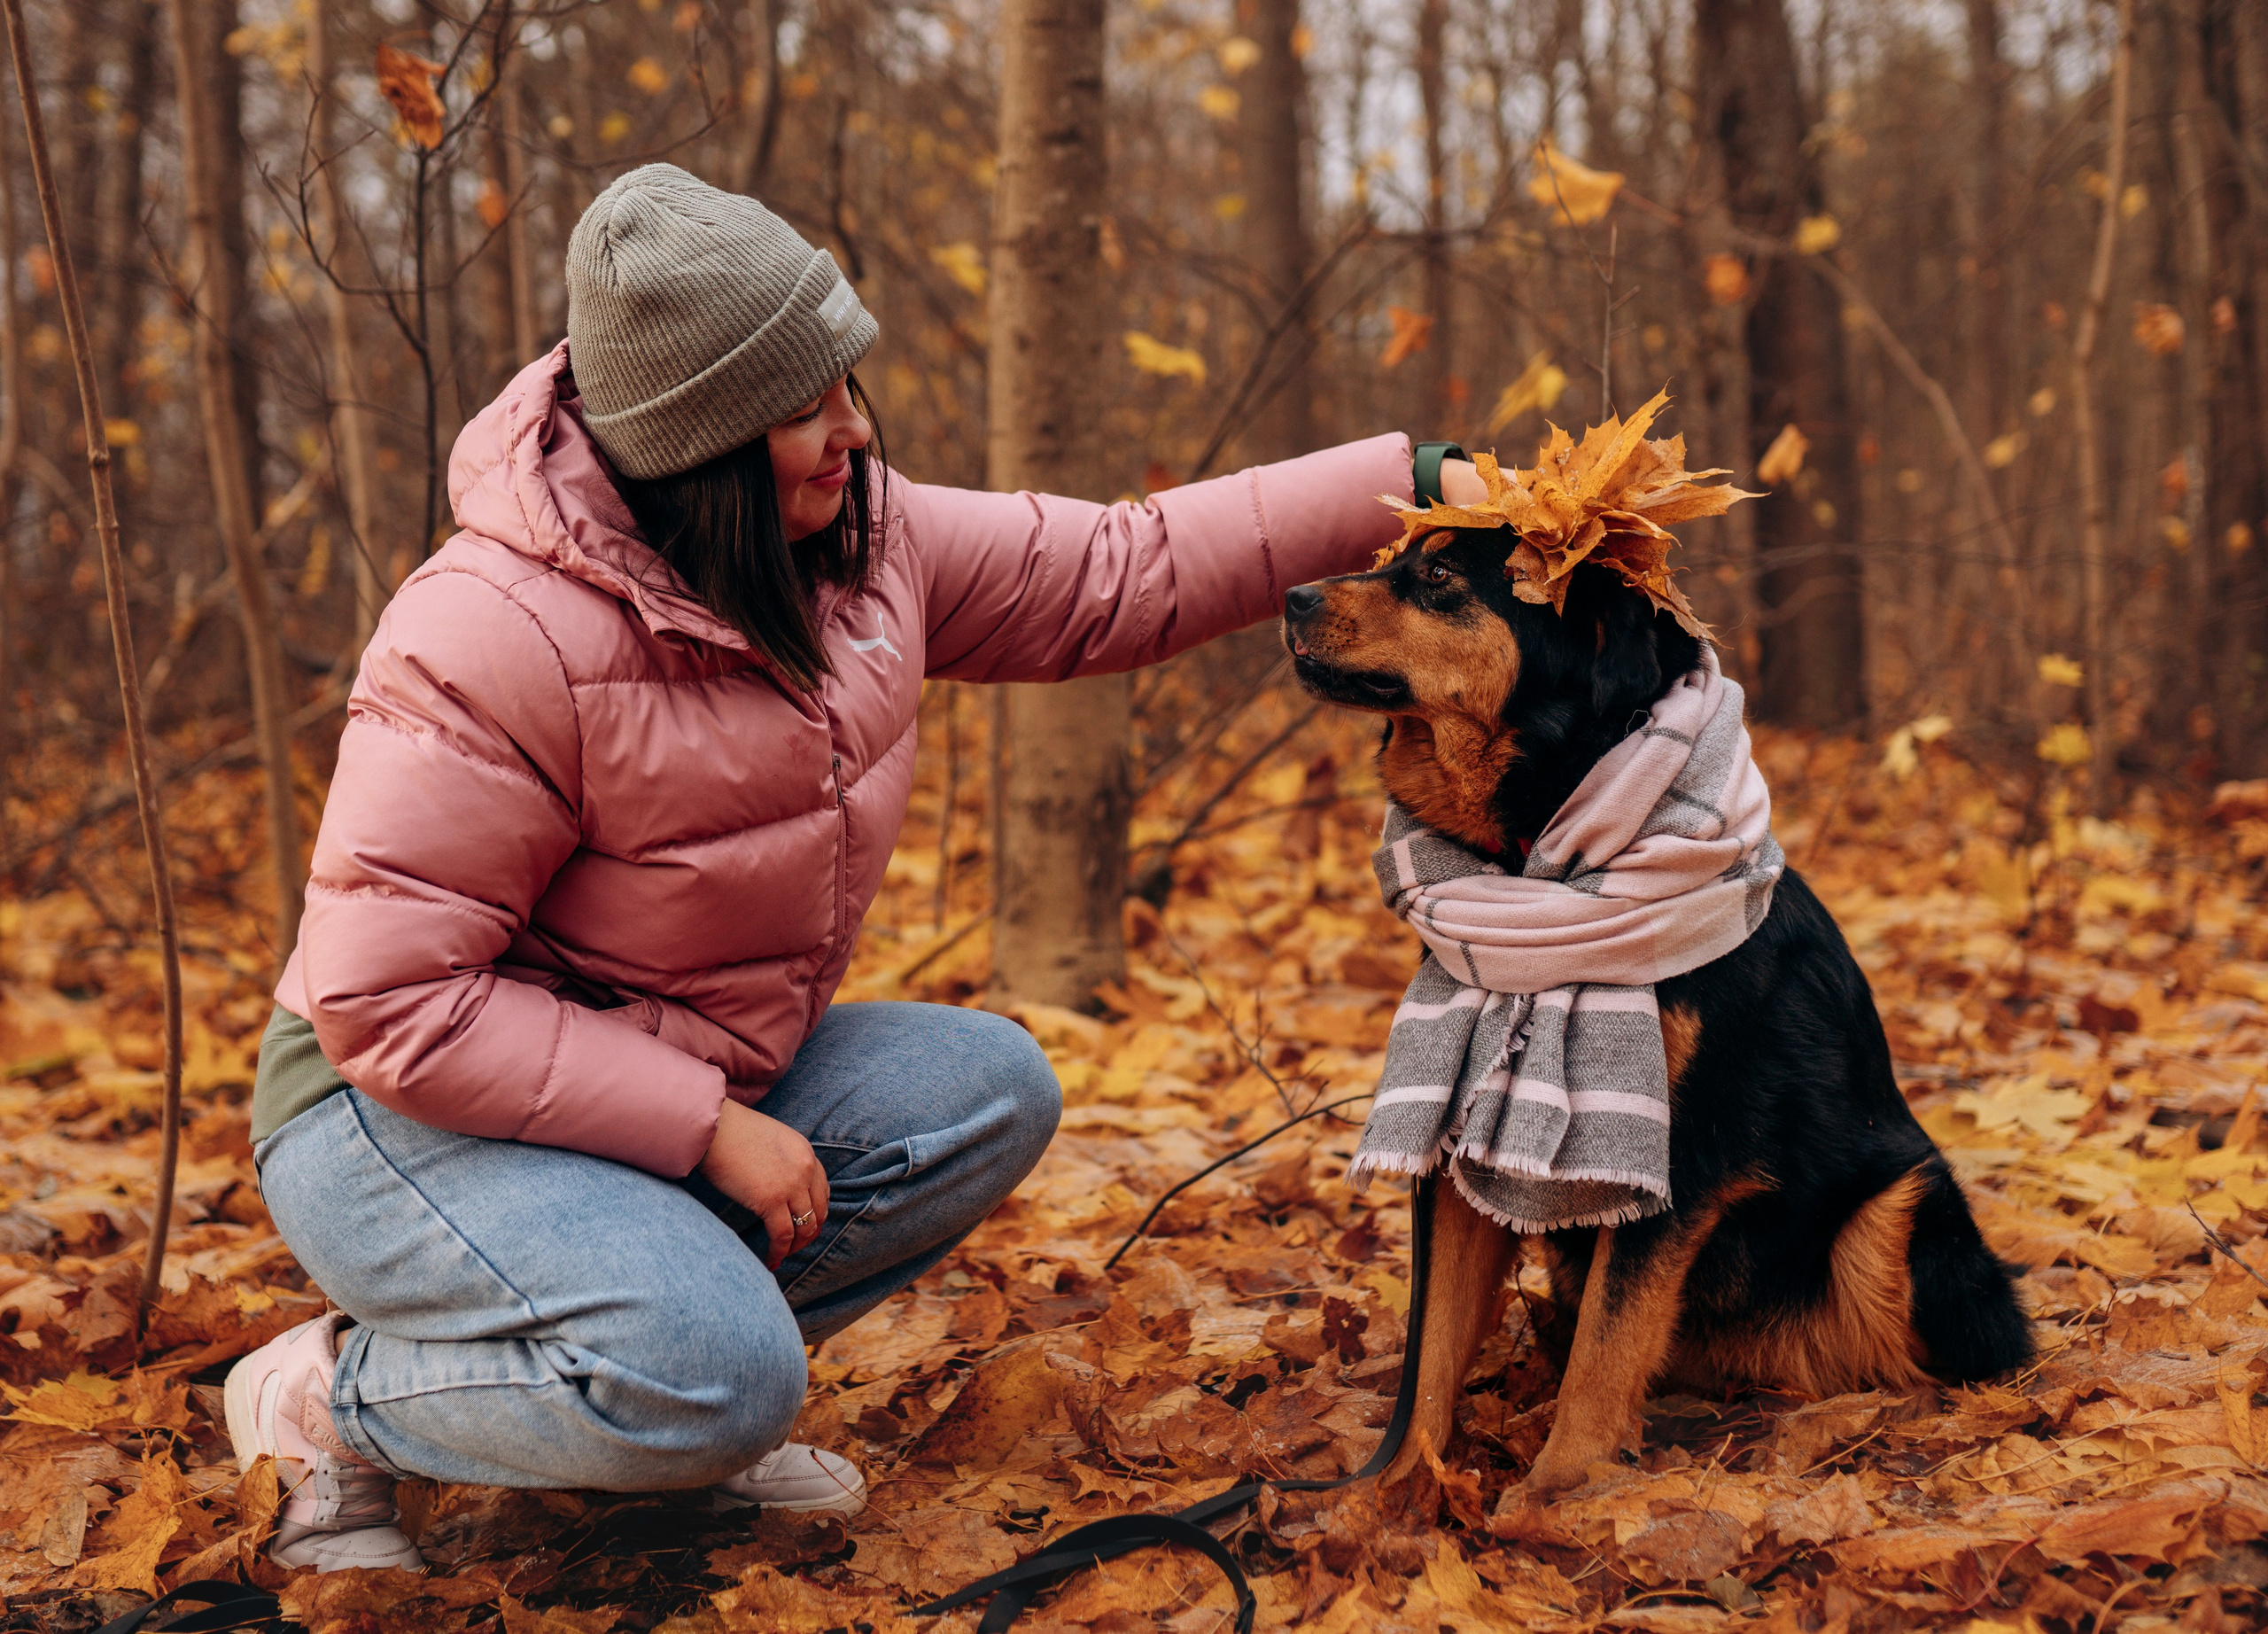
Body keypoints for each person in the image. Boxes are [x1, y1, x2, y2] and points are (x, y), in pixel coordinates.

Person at [225, 163, 1481, 1571]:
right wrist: (705, 1126)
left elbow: (1126, 569)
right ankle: (336, 1401)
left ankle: (662, 1400)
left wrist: (1416, 484)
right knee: (714, 1377)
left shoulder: (858, 541)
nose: (853, 428)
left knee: (985, 1088)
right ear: (700, 444)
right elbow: (392, 1003)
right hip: (390, 1114)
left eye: (844, 383)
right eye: (803, 406)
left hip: (628, 1084)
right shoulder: (491, 632)